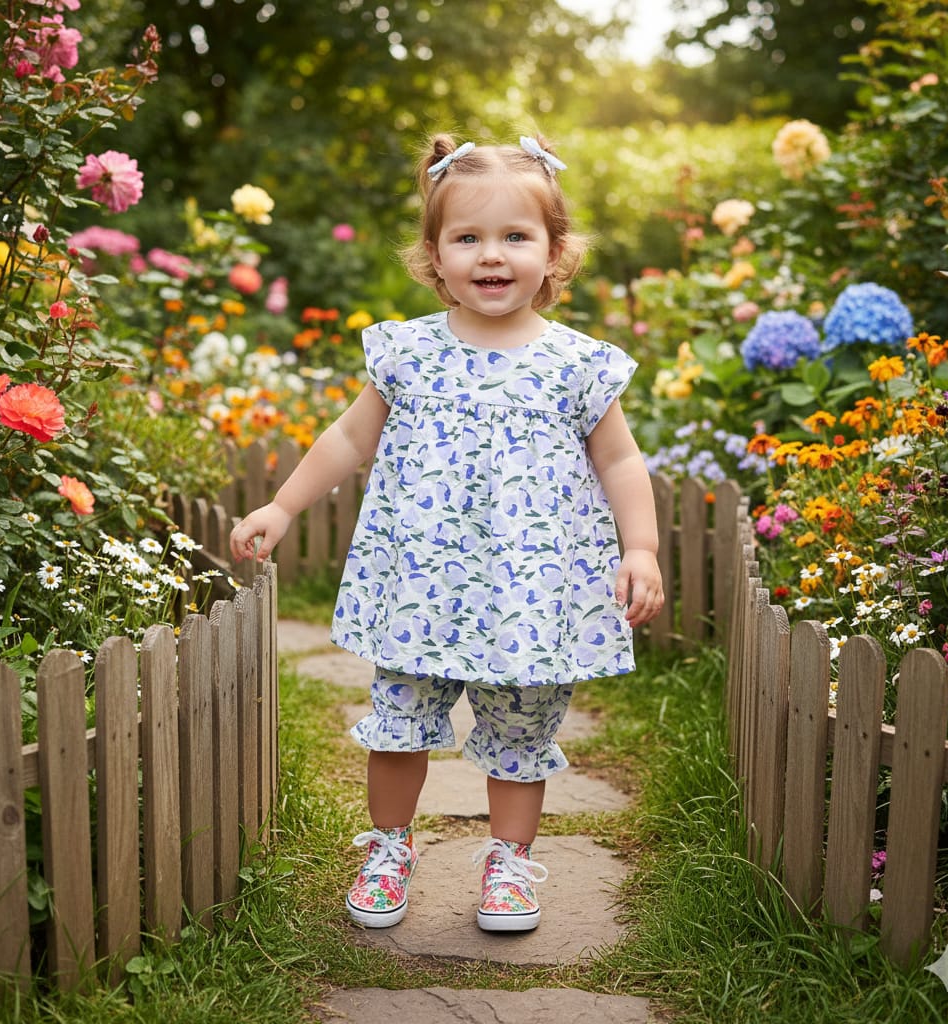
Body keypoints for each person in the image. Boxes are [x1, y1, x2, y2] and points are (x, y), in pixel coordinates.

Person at [230, 133, 665, 933]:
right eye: (467, 237)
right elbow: (349, 440)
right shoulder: (410, 352)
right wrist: (283, 506)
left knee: (520, 727)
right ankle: (389, 848)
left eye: (515, 237)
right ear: (435, 254)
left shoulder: (577, 365)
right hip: (419, 585)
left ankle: (508, 864)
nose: (490, 256)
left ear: (554, 251)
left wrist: (640, 548)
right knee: (398, 724)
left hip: (528, 592)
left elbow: (622, 460)